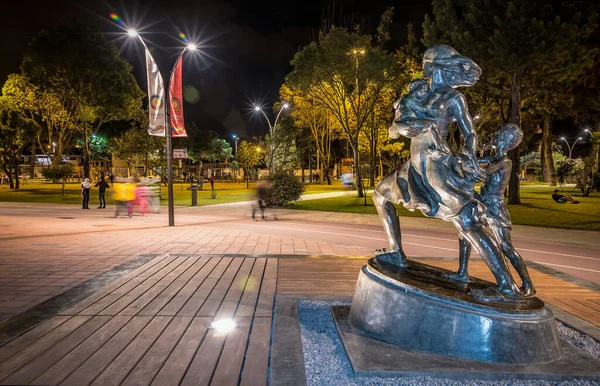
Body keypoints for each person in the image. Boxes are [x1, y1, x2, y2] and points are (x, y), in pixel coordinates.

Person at [373, 44, 520, 299]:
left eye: (424, 61)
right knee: (380, 196)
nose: (421, 66)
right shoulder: (417, 93)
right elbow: (394, 128)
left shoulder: (453, 98)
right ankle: (396, 251)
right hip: (414, 165)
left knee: (466, 222)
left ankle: (507, 285)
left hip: (436, 165)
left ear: (435, 64)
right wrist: (398, 129)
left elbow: (469, 132)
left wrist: (467, 154)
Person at [451, 124, 535, 296]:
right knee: (464, 231)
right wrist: (458, 157)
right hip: (483, 203)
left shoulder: (504, 161)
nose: (495, 135)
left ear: (505, 139)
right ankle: (462, 272)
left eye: (499, 133)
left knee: (505, 246)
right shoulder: (493, 158)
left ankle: (528, 284)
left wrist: (466, 167)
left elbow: (481, 174)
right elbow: (476, 162)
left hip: (495, 207)